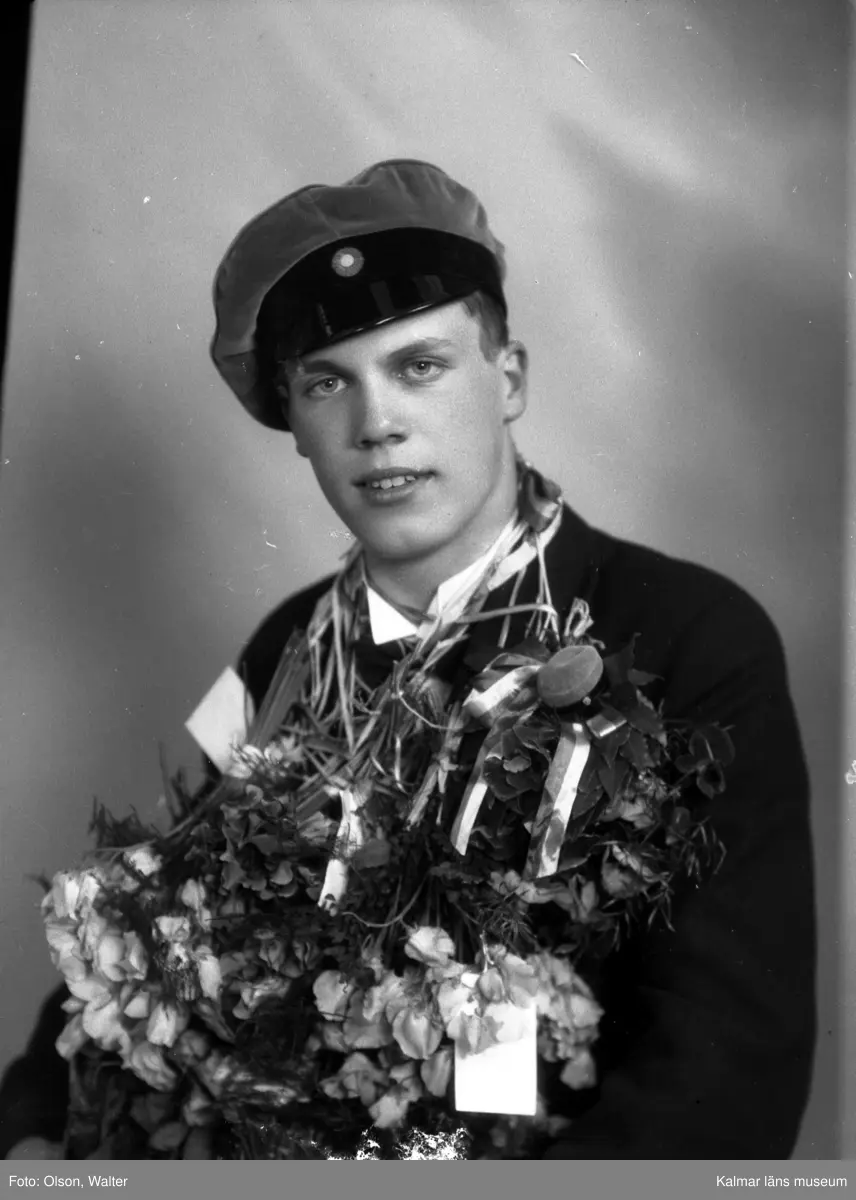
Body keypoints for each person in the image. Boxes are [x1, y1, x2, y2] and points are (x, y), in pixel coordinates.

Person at [0, 159, 816, 1159]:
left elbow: (726, 1072)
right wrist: (31, 1131)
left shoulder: (689, 634)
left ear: (508, 379)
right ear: (295, 424)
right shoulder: (283, 650)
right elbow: (154, 922)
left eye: (419, 366)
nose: (376, 423)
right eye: (327, 382)